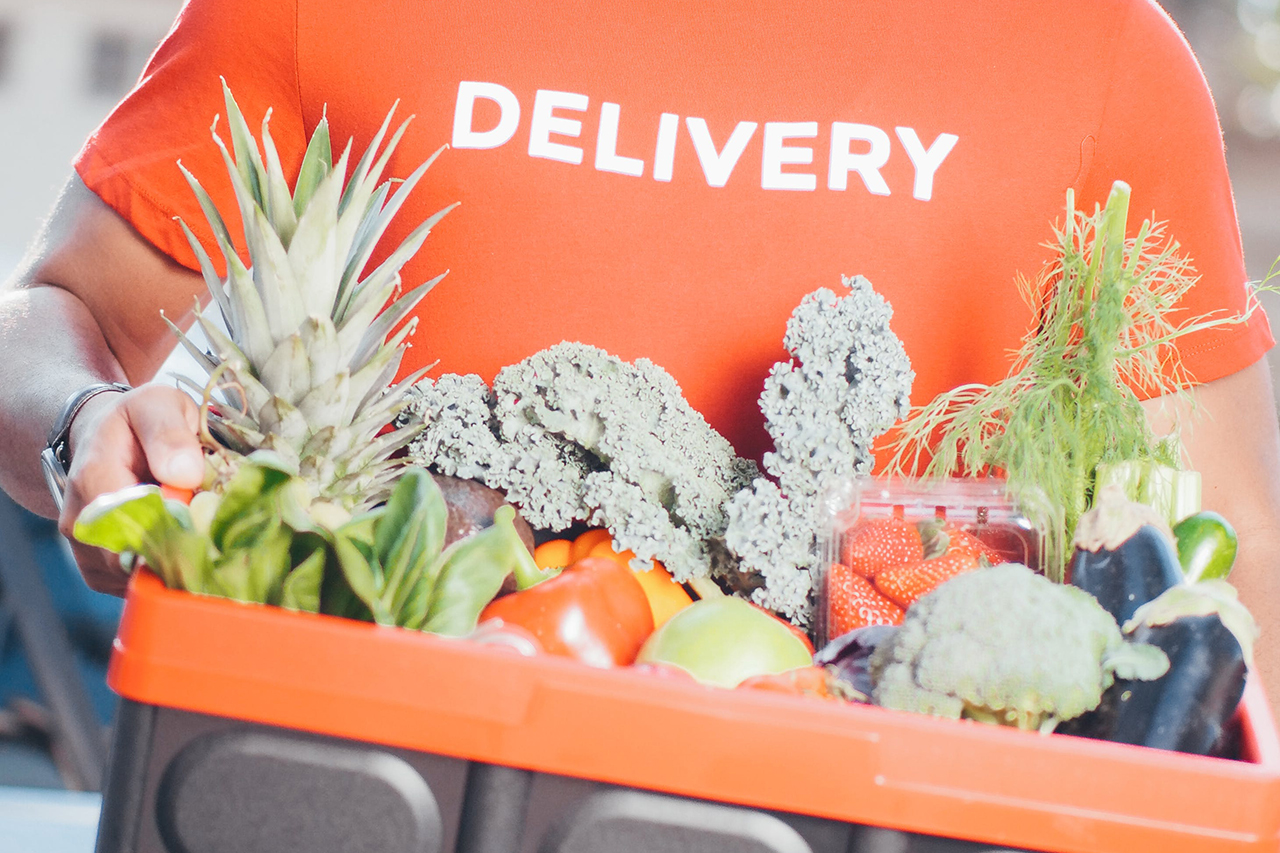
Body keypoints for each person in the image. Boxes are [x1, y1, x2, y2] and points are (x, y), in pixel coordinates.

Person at [1, 0, 1278, 701]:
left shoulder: (1097, 54)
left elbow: (1235, 590)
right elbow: (52, 319)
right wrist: (79, 427)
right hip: (382, 775)